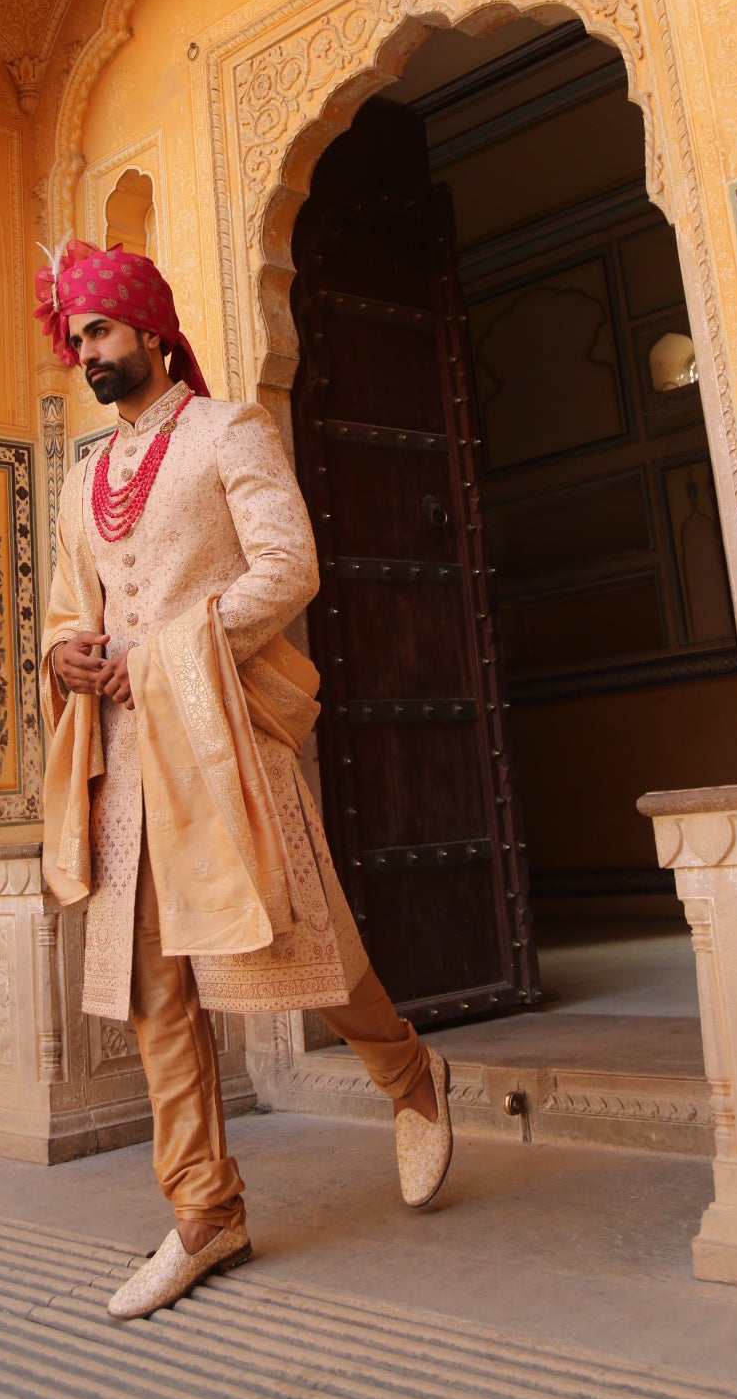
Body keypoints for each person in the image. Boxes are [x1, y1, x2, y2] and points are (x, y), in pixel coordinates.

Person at [37, 239, 452, 1321]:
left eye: (99, 332)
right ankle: (204, 1212)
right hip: (124, 764)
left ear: (151, 330)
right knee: (152, 991)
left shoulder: (228, 432)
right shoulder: (82, 479)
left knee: (301, 942)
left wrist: (165, 652)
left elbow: (286, 568)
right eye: (75, 338)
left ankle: (409, 1075)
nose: (85, 353)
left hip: (218, 740)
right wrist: (64, 656)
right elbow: (67, 608)